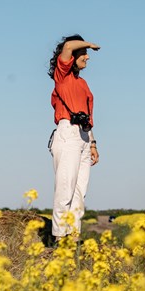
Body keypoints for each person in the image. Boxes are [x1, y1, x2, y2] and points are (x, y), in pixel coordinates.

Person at [47, 34, 101, 243]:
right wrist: (88, 43)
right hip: (67, 133)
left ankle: (73, 236)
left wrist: (93, 143)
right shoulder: (62, 76)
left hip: (84, 136)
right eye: (84, 54)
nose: (87, 57)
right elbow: (68, 45)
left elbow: (86, 114)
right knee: (65, 187)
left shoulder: (83, 83)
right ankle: (60, 237)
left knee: (80, 191)